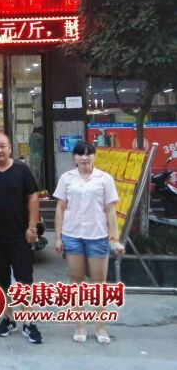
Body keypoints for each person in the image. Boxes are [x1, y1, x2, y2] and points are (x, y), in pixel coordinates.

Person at [0, 133, 43, 344]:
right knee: (0, 279)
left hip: (20, 234)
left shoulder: (22, 170)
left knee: (24, 279)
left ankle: (29, 322)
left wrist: (32, 227)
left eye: (2, 146)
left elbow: (33, 197)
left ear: (10, 148)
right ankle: (8, 318)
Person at [53, 142, 125, 345]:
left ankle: (100, 327)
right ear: (74, 157)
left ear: (94, 156)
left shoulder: (105, 179)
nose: (84, 158)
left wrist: (114, 239)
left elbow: (110, 210)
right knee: (76, 280)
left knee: (99, 283)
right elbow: (60, 208)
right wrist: (58, 237)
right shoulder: (67, 178)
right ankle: (80, 325)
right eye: (80, 154)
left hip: (97, 236)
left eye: (88, 154)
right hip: (72, 235)